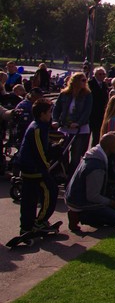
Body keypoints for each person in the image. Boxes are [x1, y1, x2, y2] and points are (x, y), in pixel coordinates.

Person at [65, 131, 115, 232]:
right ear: (110, 147)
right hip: (80, 202)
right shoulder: (96, 166)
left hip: (75, 196)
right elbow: (93, 196)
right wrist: (112, 203)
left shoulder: (94, 155)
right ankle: (80, 216)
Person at [18, 100, 59, 236]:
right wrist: (46, 166)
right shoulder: (37, 128)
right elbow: (39, 151)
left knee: (30, 198)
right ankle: (39, 221)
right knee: (50, 192)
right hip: (34, 169)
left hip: (32, 167)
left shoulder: (41, 126)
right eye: (49, 112)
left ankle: (27, 225)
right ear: (42, 114)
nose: (50, 115)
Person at [53, 72, 94, 178]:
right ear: (75, 81)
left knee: (76, 154)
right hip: (64, 127)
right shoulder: (64, 94)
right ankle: (64, 173)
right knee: (62, 152)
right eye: (83, 80)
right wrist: (55, 120)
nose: (85, 82)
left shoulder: (87, 95)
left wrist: (78, 123)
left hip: (80, 129)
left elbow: (87, 111)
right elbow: (57, 108)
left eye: (85, 80)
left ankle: (72, 177)